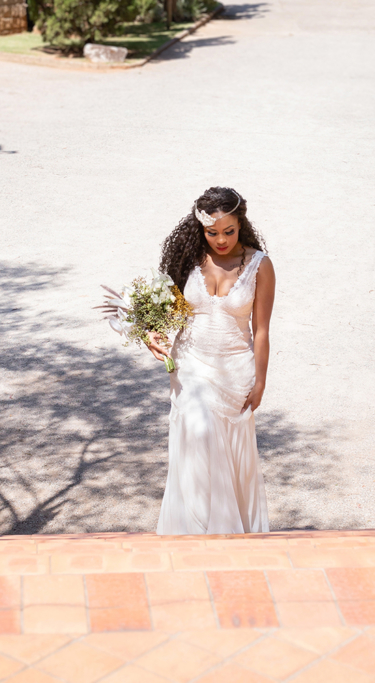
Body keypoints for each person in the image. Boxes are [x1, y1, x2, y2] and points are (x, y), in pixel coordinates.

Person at [148, 186, 276, 535]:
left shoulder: (259, 266)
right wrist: (151, 334)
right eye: (212, 232)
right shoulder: (187, 259)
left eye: (229, 231)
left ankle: (226, 535)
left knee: (226, 455)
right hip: (190, 363)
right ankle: (195, 531)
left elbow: (261, 330)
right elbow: (164, 314)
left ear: (241, 224)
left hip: (235, 371)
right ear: (200, 228)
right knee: (200, 434)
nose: (220, 240)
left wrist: (261, 380)